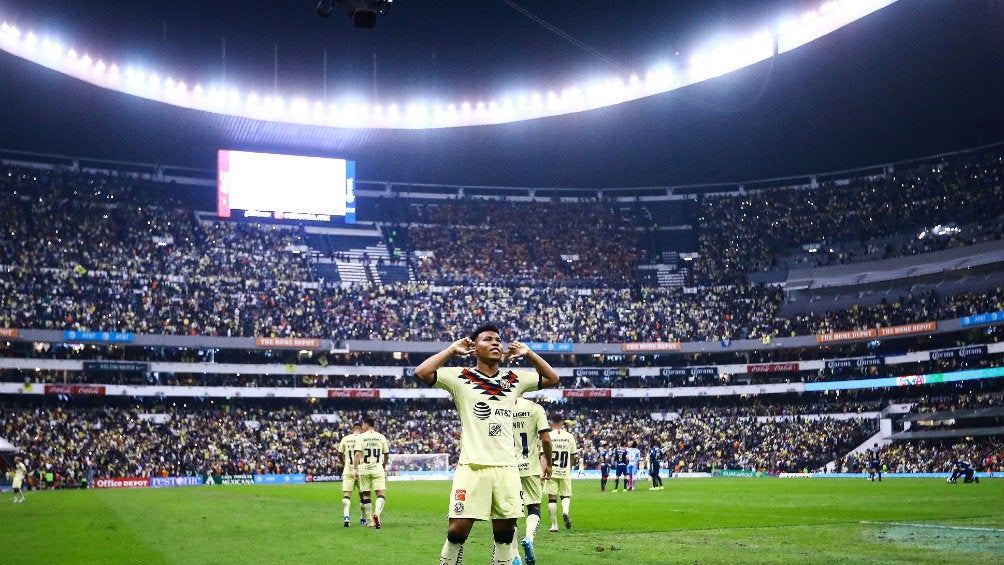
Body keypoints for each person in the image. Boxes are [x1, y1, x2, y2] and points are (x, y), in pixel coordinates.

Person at [414, 323, 560, 565]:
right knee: (456, 531)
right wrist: (451, 349)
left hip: (506, 468)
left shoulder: (514, 379)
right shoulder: (460, 376)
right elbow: (422, 372)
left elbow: (552, 378)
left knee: (504, 535)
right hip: (472, 467)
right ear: (474, 349)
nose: (495, 343)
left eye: (498, 340)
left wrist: (529, 353)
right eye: (488, 339)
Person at [511, 394, 553, 565]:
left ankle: (514, 555)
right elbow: (546, 439)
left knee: (509, 514)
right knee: (534, 507)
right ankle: (529, 537)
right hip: (530, 466)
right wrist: (549, 464)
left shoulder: (501, 406)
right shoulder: (535, 408)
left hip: (507, 468)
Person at [354, 417, 390, 529]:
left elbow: (357, 455)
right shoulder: (381, 437)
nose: (362, 426)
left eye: (363, 424)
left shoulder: (361, 437)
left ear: (366, 424)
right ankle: (377, 514)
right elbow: (386, 454)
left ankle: (370, 521)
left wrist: (355, 469)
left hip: (364, 468)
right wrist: (383, 465)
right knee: (381, 494)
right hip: (378, 468)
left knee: (366, 495)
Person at [544, 414, 578, 532]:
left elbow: (543, 455)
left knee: (552, 498)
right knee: (565, 495)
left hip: (552, 470)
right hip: (564, 470)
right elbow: (573, 455)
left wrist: (543, 470)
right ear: (563, 423)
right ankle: (565, 511)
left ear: (551, 423)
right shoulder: (569, 436)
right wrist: (570, 466)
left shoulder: (548, 436)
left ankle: (554, 525)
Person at [338, 421, 364, 527]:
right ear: (361, 429)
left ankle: (346, 518)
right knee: (363, 495)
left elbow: (339, 454)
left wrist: (344, 462)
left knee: (346, 495)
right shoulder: (363, 438)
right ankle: (363, 519)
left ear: (352, 430)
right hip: (361, 470)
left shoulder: (345, 439)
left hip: (348, 469)